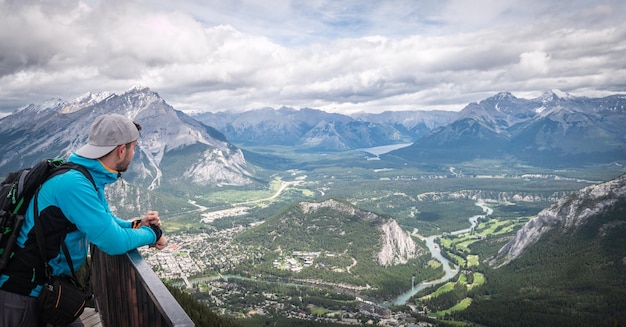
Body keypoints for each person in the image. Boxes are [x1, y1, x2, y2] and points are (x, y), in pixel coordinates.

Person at [0, 113, 167, 327]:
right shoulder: (75, 184)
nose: (134, 153)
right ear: (121, 150)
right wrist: (155, 235)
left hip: (44, 287)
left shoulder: (87, 177)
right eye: (134, 147)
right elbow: (112, 241)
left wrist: (139, 224)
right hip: (21, 292)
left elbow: (107, 223)